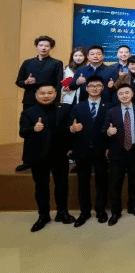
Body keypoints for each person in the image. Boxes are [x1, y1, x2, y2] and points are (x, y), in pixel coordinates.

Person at [19, 83, 75, 232]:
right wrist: (33, 129)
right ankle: (43, 215)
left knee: (62, 185)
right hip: (39, 155)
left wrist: (71, 137)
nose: (46, 96)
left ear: (55, 94)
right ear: (36, 95)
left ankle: (62, 212)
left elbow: (68, 129)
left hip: (60, 154)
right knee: (41, 187)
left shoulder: (65, 109)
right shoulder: (29, 112)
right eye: (42, 93)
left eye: (49, 93)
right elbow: (22, 132)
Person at [15, 35, 64, 172]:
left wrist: (55, 101)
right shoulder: (27, 63)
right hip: (30, 101)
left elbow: (59, 84)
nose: (43, 48)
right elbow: (18, 81)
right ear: (36, 47)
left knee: (50, 131)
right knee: (30, 130)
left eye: (47, 46)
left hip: (50, 102)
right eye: (41, 45)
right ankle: (27, 160)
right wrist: (26, 82)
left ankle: (50, 159)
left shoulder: (56, 63)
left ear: (51, 48)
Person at [102, 84, 135, 226]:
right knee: (115, 183)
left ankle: (133, 206)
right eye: (121, 93)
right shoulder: (111, 111)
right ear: (117, 96)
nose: (124, 96)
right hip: (117, 152)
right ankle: (116, 212)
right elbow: (104, 129)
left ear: (132, 94)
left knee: (134, 181)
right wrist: (108, 132)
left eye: (127, 93)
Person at [69, 76, 110, 226]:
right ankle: (84, 212)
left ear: (102, 88)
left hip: (101, 150)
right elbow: (70, 127)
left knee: (102, 181)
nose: (94, 88)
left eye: (98, 85)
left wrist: (109, 147)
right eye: (91, 85)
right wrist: (72, 129)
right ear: (86, 88)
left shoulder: (109, 106)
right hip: (82, 149)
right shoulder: (77, 107)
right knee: (82, 182)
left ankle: (101, 210)